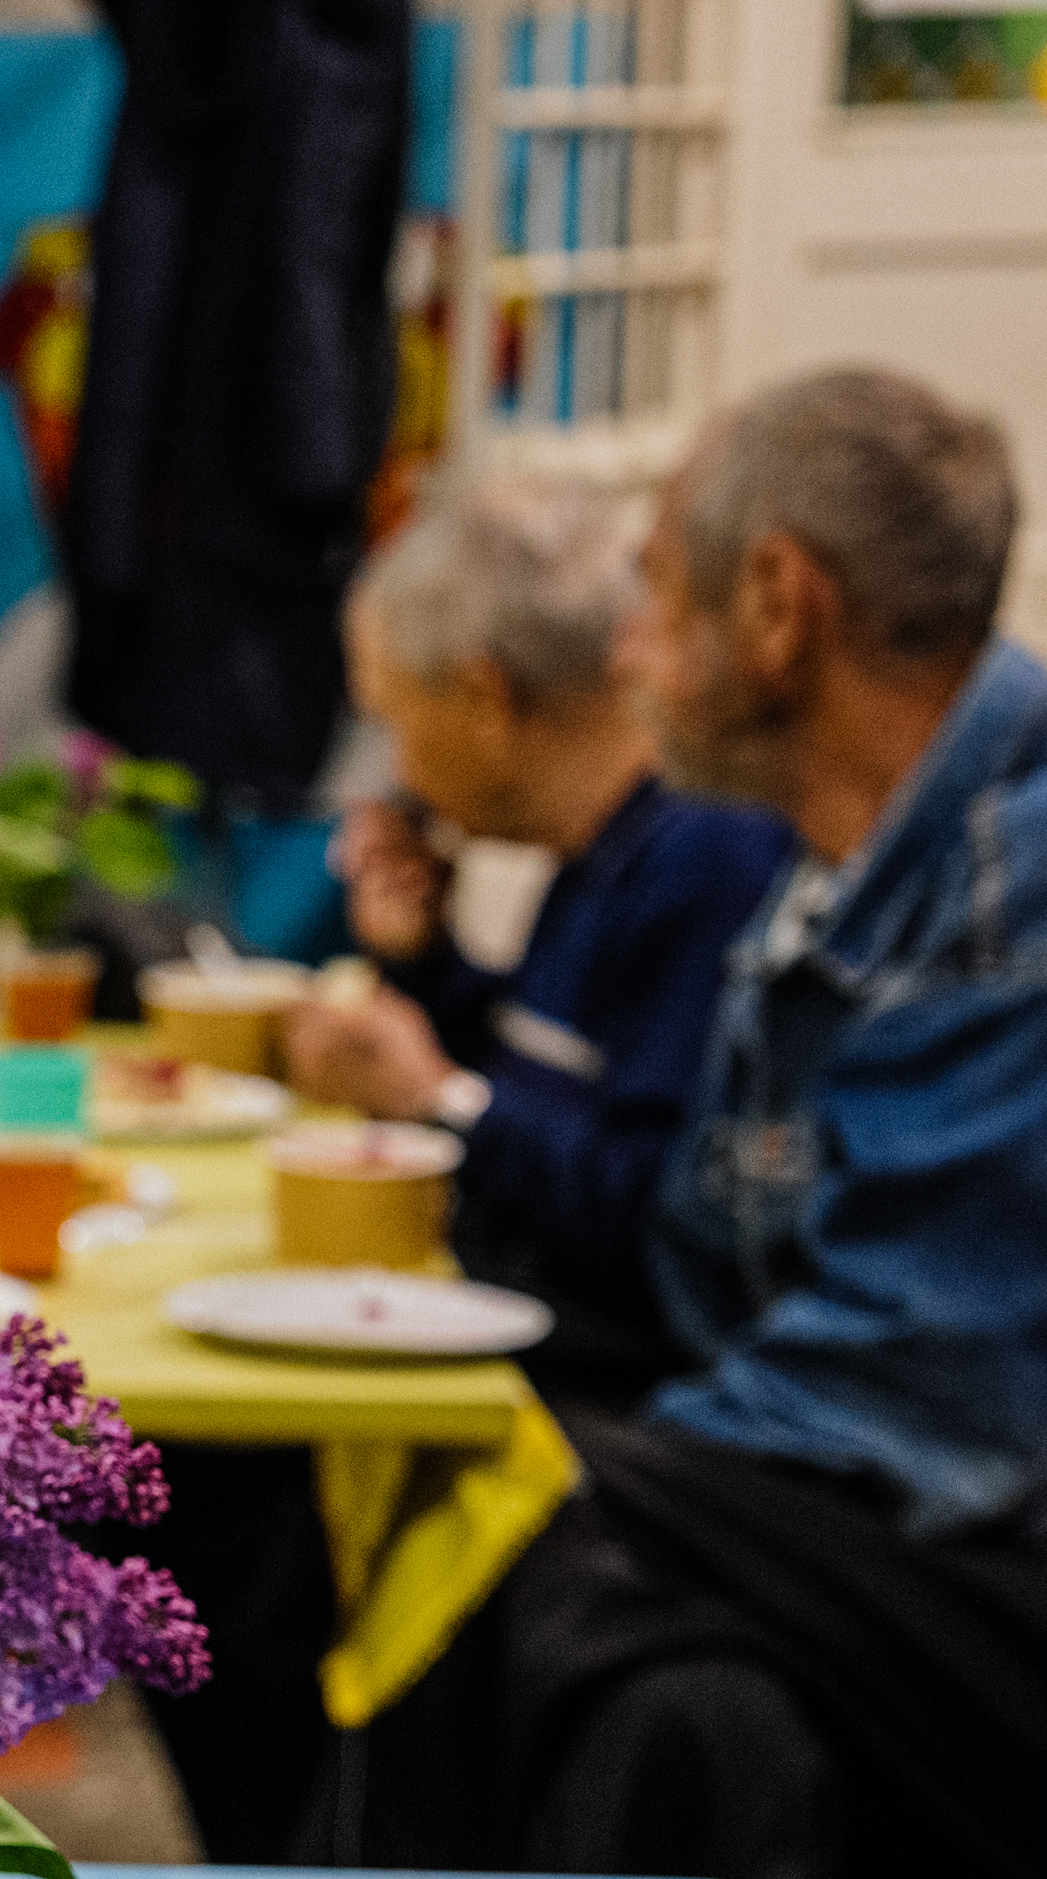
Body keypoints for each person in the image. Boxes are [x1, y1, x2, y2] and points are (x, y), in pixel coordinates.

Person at [392, 365, 1047, 1879]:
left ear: (778, 603)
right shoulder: (839, 877)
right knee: (691, 1723)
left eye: (652, 594)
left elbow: (918, 1406)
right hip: (923, 1583)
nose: (629, 656)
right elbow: (715, 1283)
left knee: (511, 1501)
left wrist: (549, 1446)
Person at [282, 472, 791, 1407]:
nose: (398, 768)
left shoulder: (705, 855)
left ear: (486, 698)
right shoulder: (599, 847)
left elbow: (647, 1214)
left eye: (397, 718)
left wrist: (436, 1101)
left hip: (601, 1407)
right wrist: (427, 963)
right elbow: (548, 1084)